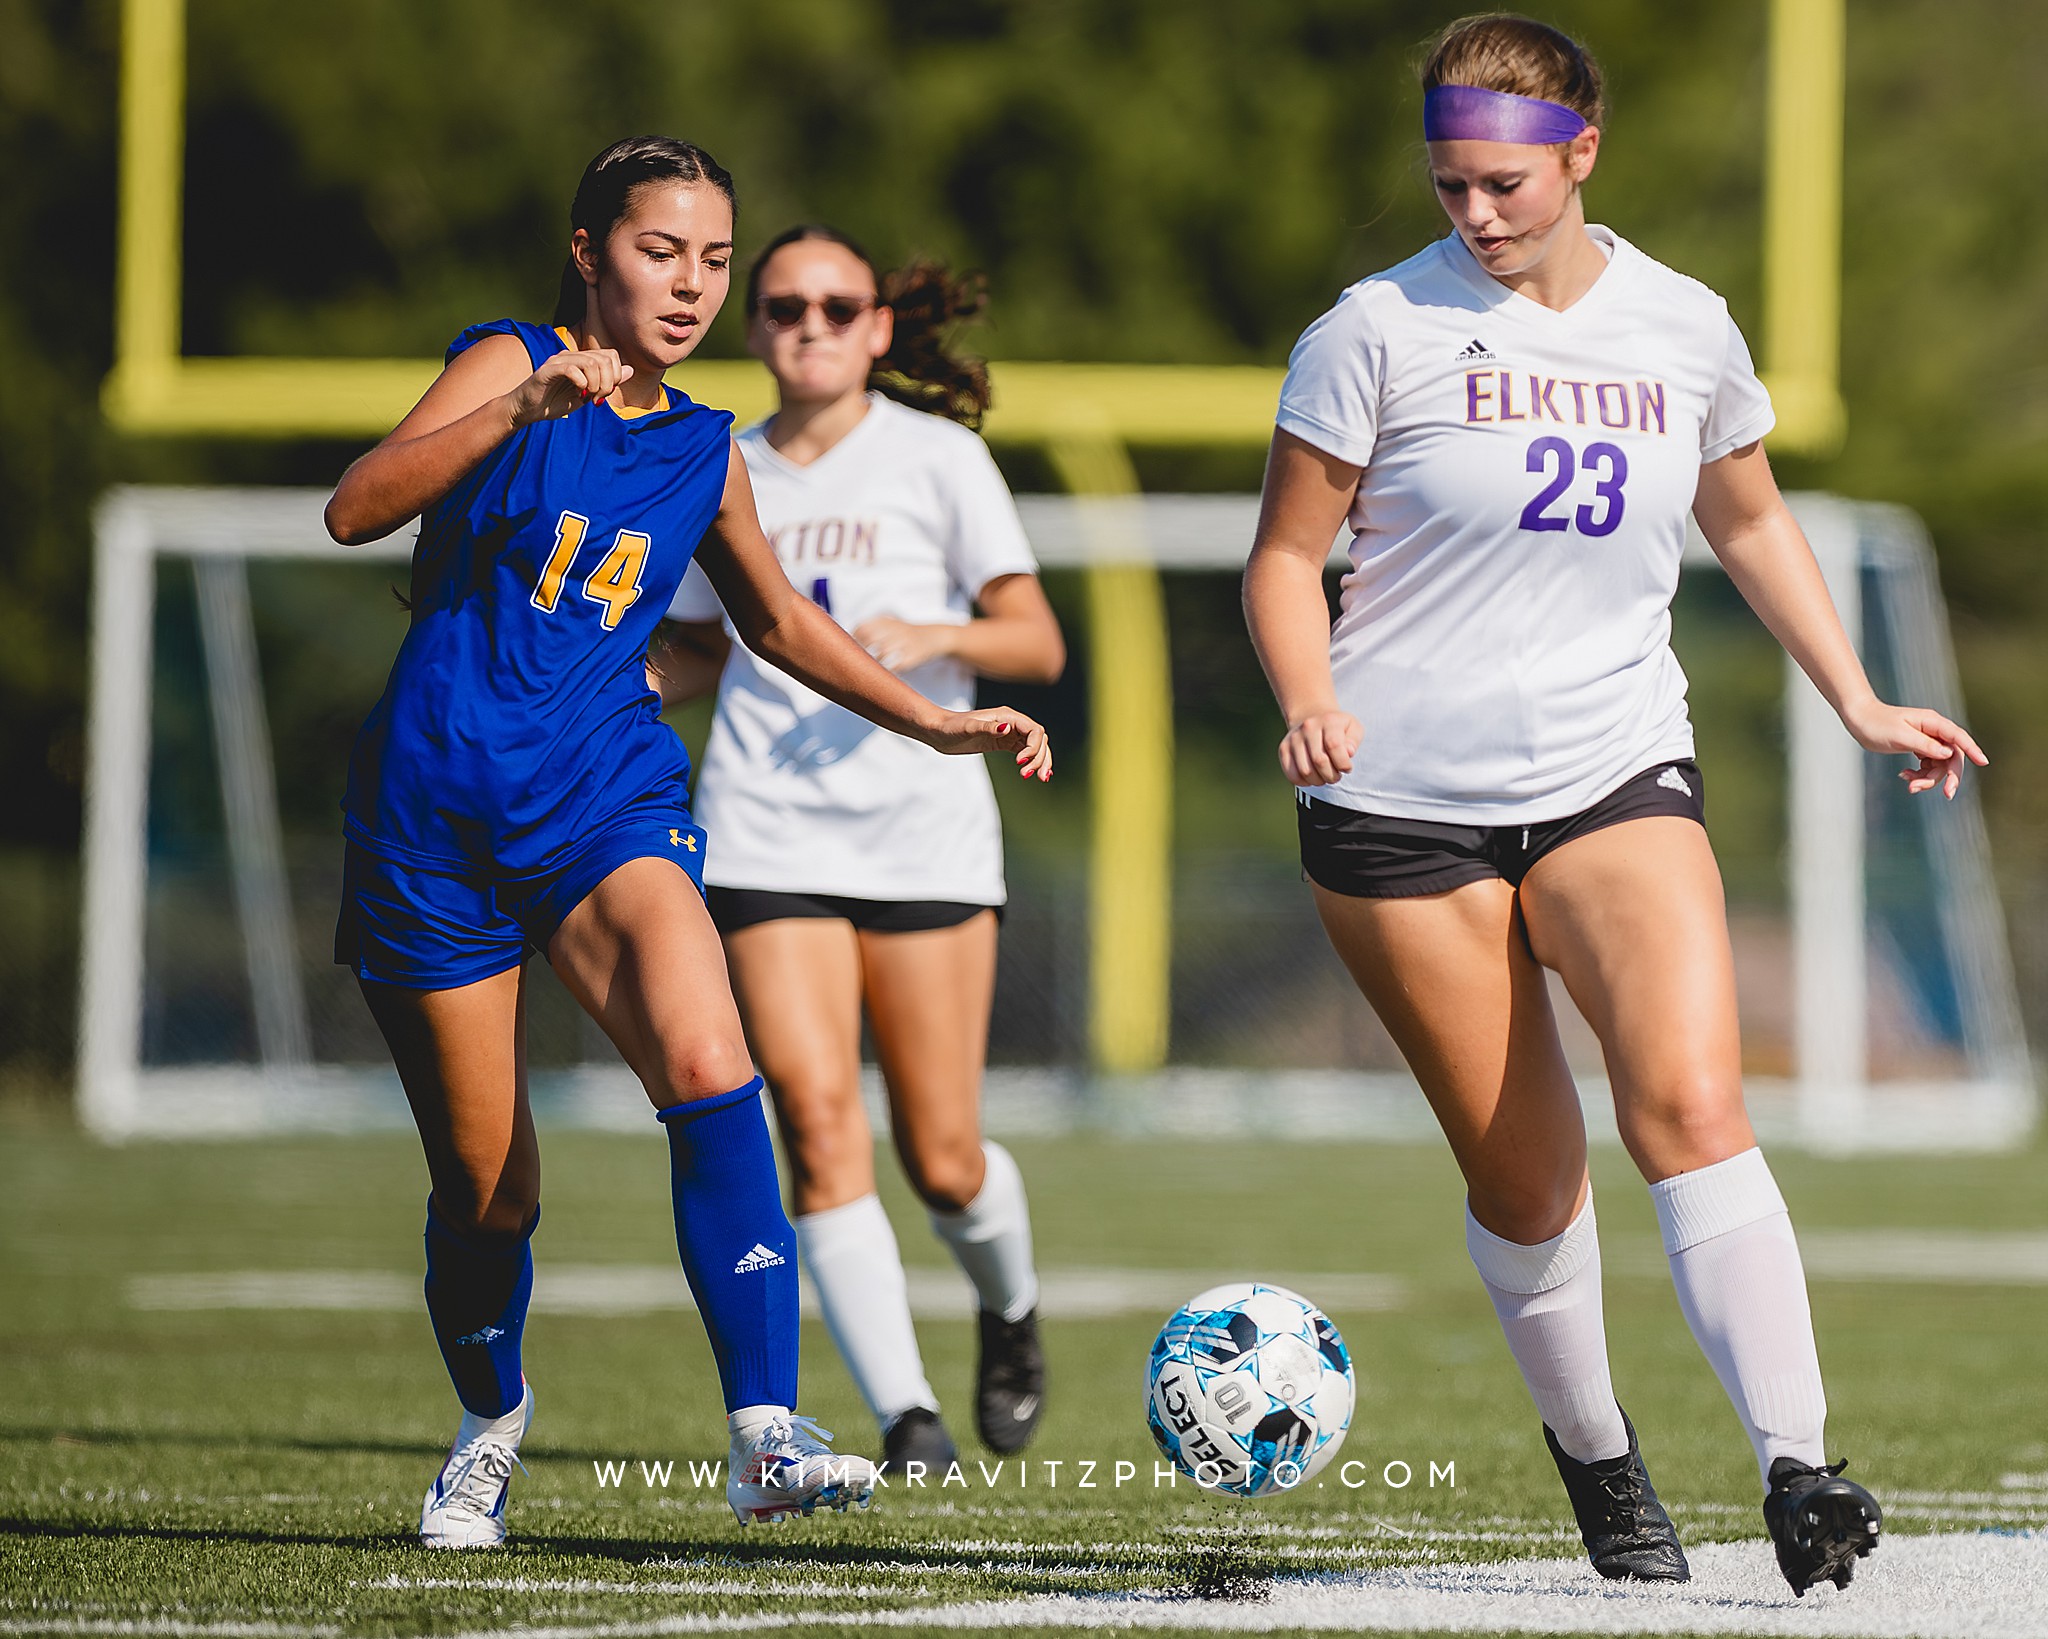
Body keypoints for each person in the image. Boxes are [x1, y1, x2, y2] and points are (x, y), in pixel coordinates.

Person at [1243, 14, 1982, 1596]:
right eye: (1450, 185)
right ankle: (1600, 1460)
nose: (1476, 213)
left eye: (1505, 182)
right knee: (1531, 1176)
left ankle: (1799, 1463)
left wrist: (1856, 697)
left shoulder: (1686, 324)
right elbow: (1285, 557)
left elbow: (1753, 515)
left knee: (1693, 1106)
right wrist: (1310, 695)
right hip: (1396, 804)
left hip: (1610, 766)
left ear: (1583, 155)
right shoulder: (1372, 330)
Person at [323, 137, 1052, 1548]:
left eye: (716, 261)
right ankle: (490, 1419)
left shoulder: (705, 445)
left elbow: (778, 624)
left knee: (716, 1063)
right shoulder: (506, 358)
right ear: (589, 248)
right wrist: (520, 406)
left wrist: (936, 721)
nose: (693, 284)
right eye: (664, 252)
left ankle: (766, 1433)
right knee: (491, 1188)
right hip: (429, 814)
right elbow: (357, 508)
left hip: (606, 799)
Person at [649, 224, 1064, 1477]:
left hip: (923, 836)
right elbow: (699, 646)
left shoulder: (936, 459)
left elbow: (1034, 641)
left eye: (838, 305)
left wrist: (925, 632)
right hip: (767, 830)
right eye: (782, 306)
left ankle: (1009, 1308)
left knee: (941, 1155)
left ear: (879, 327)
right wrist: (579, 675)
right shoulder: (714, 464)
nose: (810, 325)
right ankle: (907, 1416)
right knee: (819, 1126)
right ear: (754, 325)